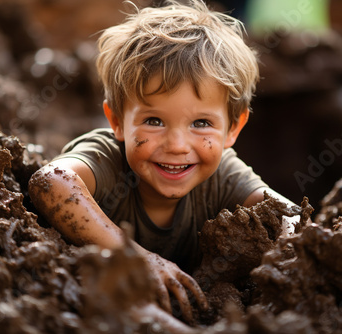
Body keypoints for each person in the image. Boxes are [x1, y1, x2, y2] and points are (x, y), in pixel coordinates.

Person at [28, 0, 298, 324]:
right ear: (116, 121)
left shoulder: (224, 172)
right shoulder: (106, 157)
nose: (177, 146)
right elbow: (50, 181)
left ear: (233, 129)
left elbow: (287, 215)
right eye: (154, 121)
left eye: (201, 123)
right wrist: (137, 259)